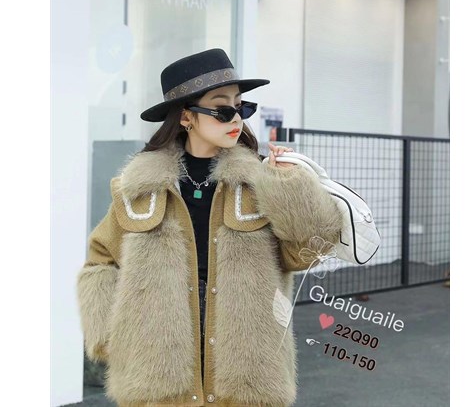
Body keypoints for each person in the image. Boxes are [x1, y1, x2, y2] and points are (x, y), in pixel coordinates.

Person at [77, 48, 343, 407]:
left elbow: (309, 253)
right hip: (158, 372)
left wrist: (289, 187)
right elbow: (100, 262)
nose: (236, 119)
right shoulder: (140, 189)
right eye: (222, 109)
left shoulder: (260, 182)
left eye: (241, 107)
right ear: (186, 116)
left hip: (248, 370)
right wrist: (110, 336)